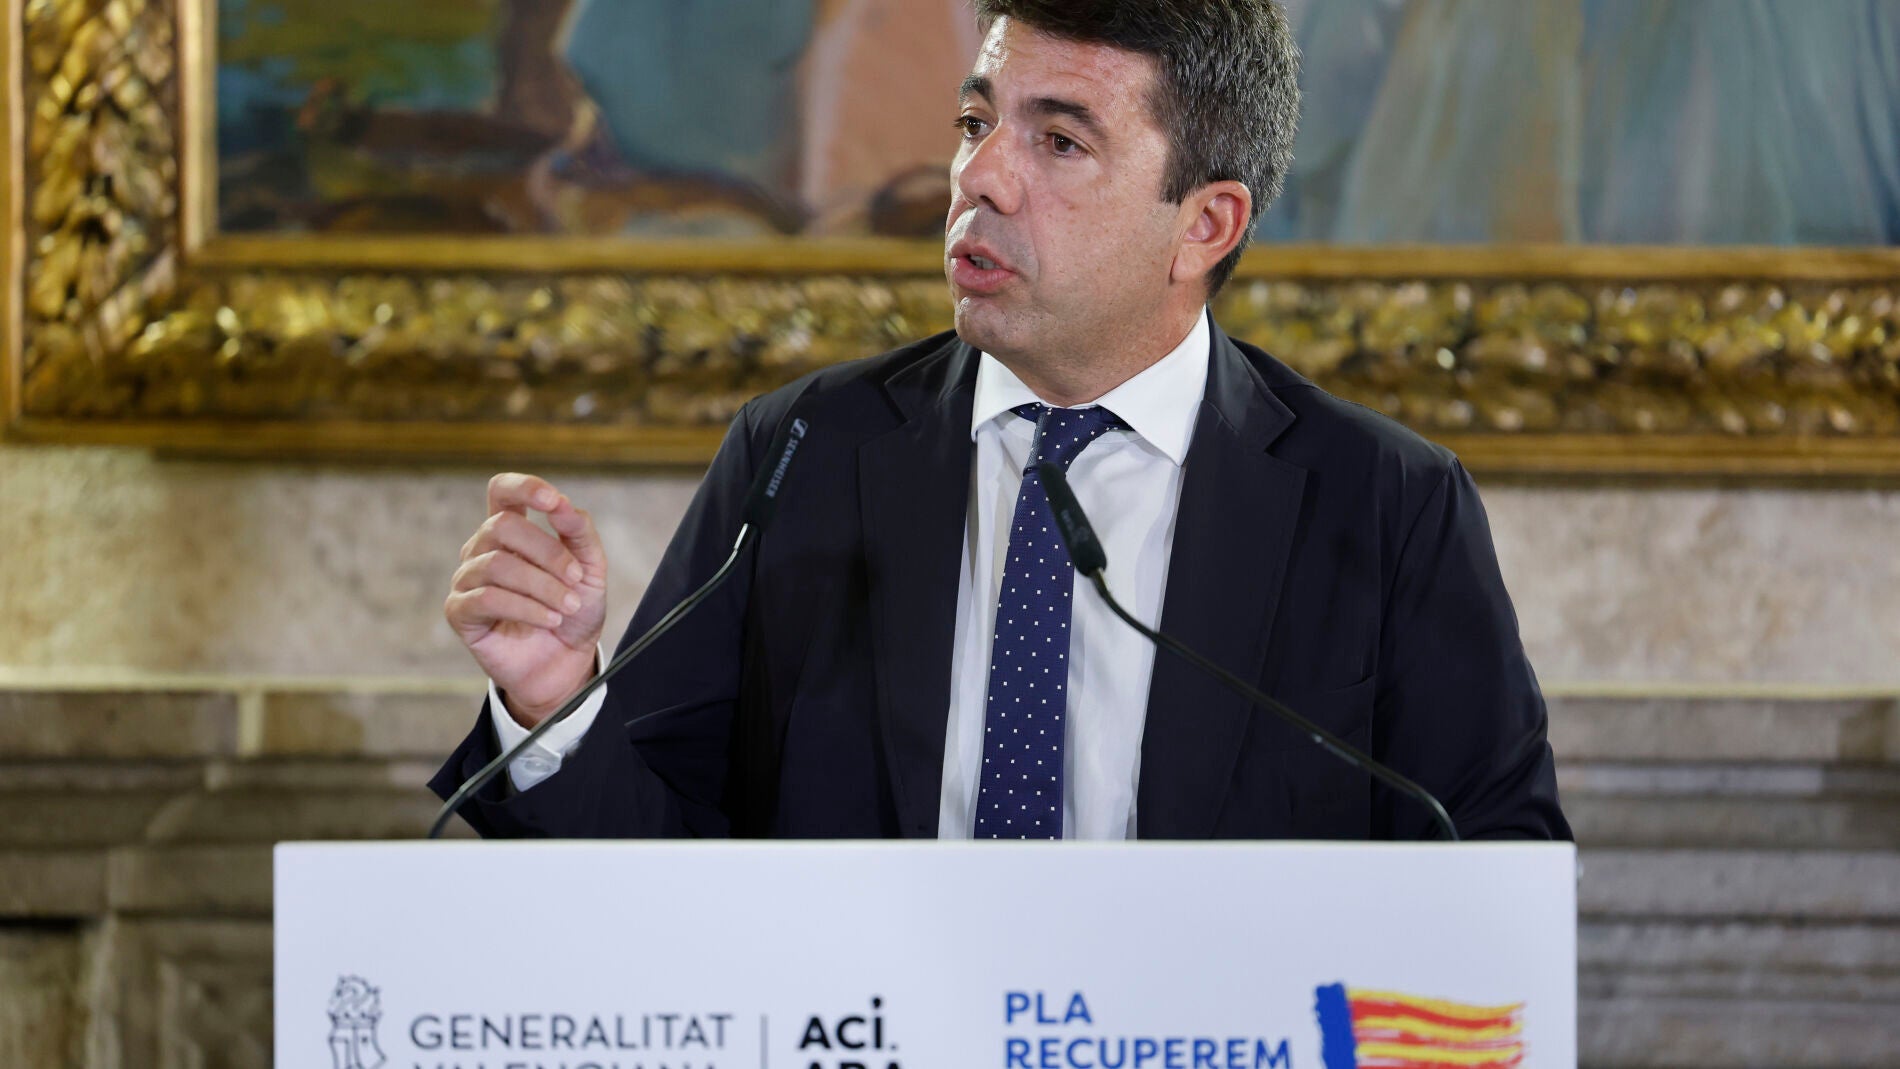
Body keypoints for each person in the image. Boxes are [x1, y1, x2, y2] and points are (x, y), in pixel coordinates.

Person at [432, 0, 1571, 842]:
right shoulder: (801, 454)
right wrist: (552, 698)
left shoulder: (1384, 504)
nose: (980, 176)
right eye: (976, 121)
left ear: (1205, 224)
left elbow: (1492, 870)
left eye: (1059, 141)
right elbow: (653, 868)